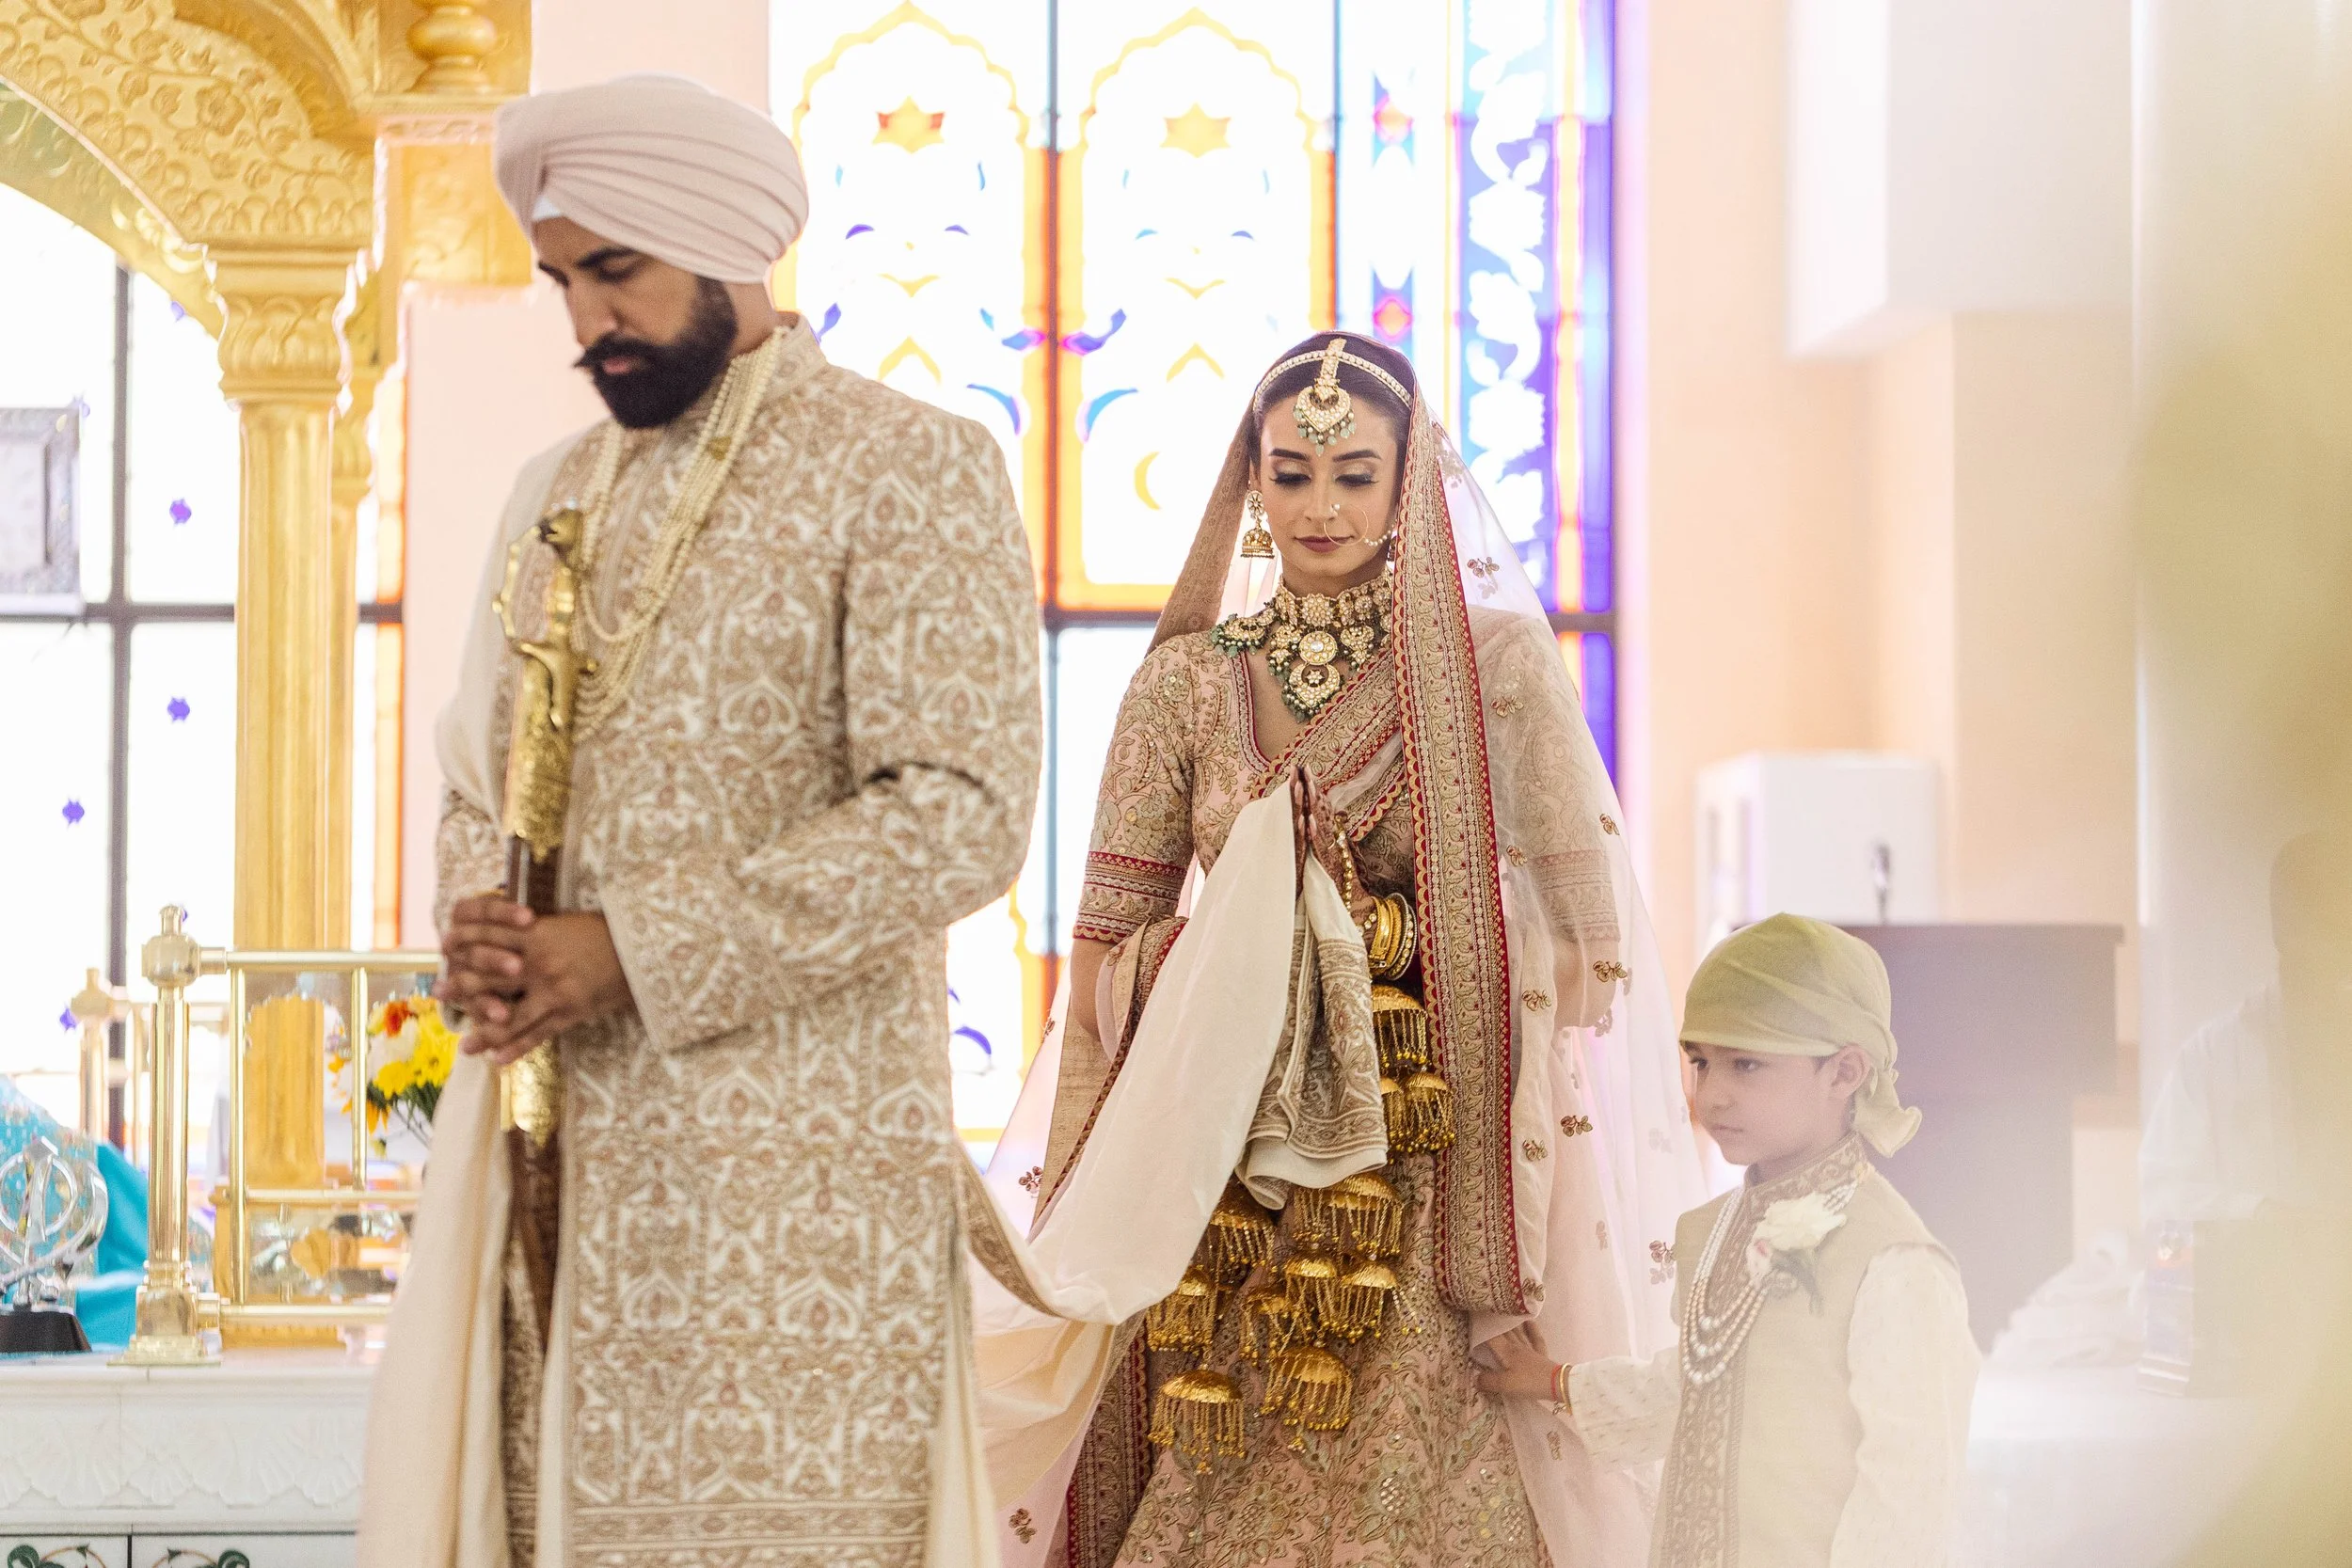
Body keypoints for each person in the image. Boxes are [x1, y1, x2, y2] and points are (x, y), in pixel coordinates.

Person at [356, 73, 1042, 1568]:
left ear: (726, 248)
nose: (585, 319)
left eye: (616, 271)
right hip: (569, 1180)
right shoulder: (555, 492)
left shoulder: (910, 464)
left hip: (801, 1198)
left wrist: (632, 948)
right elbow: (478, 776)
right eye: (562, 280)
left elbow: (963, 811)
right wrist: (484, 921)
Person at [972, 334, 1709, 1568]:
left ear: (1408, 479)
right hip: (1228, 1178)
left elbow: (1592, 952)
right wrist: (1239, 962)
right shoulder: (1186, 690)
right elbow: (1099, 970)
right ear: (1249, 483)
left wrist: (1383, 951)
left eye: (1354, 472)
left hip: (1434, 1162)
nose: (1320, 505)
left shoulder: (1493, 668)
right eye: (1292, 471)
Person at [1483, 913, 1978, 1568]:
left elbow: (1909, 1497)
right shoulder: (1714, 1228)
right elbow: (1697, 1389)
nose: (1711, 1095)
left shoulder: (1894, 1264)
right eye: (1701, 1061)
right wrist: (1554, 1380)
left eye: (1746, 1064)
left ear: (1844, 1071)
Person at [2142, 829, 2352, 1225]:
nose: (2327, 941)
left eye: (2337, 918)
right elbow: (2162, 1203)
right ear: (2278, 925)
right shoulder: (2213, 1057)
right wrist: (2260, 1215)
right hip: (2259, 1277)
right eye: (2310, 918)